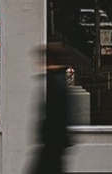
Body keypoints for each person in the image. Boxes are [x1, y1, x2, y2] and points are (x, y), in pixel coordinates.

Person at [28, 43, 72, 174]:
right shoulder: (56, 79)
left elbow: (55, 115)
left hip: (51, 144)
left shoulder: (54, 82)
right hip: (54, 144)